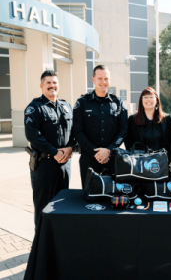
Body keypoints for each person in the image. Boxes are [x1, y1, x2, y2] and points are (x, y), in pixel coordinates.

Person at [24, 70, 76, 227]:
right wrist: (54, 152)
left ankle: (58, 245)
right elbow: (33, 135)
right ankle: (41, 248)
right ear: (41, 86)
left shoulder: (66, 106)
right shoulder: (35, 108)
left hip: (64, 164)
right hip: (45, 164)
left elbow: (75, 132)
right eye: (48, 83)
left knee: (62, 205)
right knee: (43, 207)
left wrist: (71, 148)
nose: (52, 86)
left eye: (55, 83)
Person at [73, 65, 128, 188]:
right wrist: (95, 152)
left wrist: (109, 150)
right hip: (89, 158)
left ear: (110, 80)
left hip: (112, 159)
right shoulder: (82, 102)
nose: (103, 82)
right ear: (93, 80)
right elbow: (77, 130)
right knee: (89, 195)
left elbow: (123, 130)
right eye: (100, 78)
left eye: (106, 78)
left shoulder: (118, 102)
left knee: (113, 195)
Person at [125, 87, 171, 166]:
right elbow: (128, 142)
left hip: (162, 163)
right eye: (145, 97)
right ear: (141, 101)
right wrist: (134, 161)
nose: (148, 100)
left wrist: (167, 161)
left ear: (156, 100)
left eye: (151, 97)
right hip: (140, 165)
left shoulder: (166, 119)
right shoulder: (133, 120)